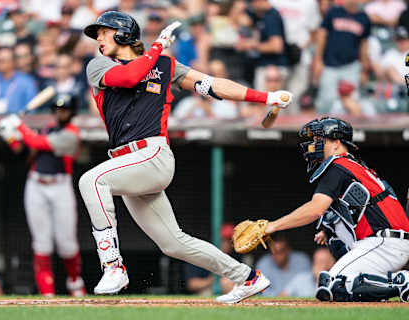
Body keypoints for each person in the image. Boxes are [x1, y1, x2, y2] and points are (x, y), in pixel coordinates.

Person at [79, 11, 293, 304]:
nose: (98, 38)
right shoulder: (99, 65)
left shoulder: (166, 65)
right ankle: (248, 277)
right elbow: (129, 77)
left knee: (91, 180)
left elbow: (214, 85)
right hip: (127, 164)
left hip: (152, 154)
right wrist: (156, 48)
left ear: (123, 34)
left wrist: (266, 97)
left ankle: (113, 266)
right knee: (174, 243)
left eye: (103, 32)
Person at [258, 117, 409, 302]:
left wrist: (272, 226)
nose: (313, 145)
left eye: (319, 140)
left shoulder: (338, 166)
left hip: (384, 244)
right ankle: (381, 288)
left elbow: (315, 209)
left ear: (336, 143)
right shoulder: (351, 165)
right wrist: (329, 229)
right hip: (384, 242)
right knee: (328, 278)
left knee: (334, 284)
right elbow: (351, 210)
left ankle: (401, 283)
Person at [0, 93, 86, 297]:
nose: (60, 113)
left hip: (60, 186)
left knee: (66, 242)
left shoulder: (72, 135)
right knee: (41, 241)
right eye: (58, 109)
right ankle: (47, 292)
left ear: (72, 112)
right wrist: (10, 136)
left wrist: (18, 126)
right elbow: (25, 153)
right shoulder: (47, 129)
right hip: (36, 185)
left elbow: (38, 143)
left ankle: (75, 283)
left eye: (65, 110)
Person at [312, 0, 371, 113]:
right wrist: (318, 60)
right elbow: (321, 36)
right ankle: (324, 128)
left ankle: (351, 129)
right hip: (330, 65)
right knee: (326, 101)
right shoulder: (334, 12)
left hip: (351, 66)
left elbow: (364, 45)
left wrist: (364, 69)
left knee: (352, 101)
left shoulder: (364, 18)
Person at [184, 223, 241, 295]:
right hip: (205, 293)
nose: (227, 244)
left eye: (230, 241)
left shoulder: (235, 257)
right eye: (223, 240)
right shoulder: (202, 254)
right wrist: (215, 281)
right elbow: (191, 284)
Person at [0, 46, 38, 114]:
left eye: (3, 61)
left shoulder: (26, 82)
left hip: (19, 122)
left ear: (12, 62)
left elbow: (31, 107)